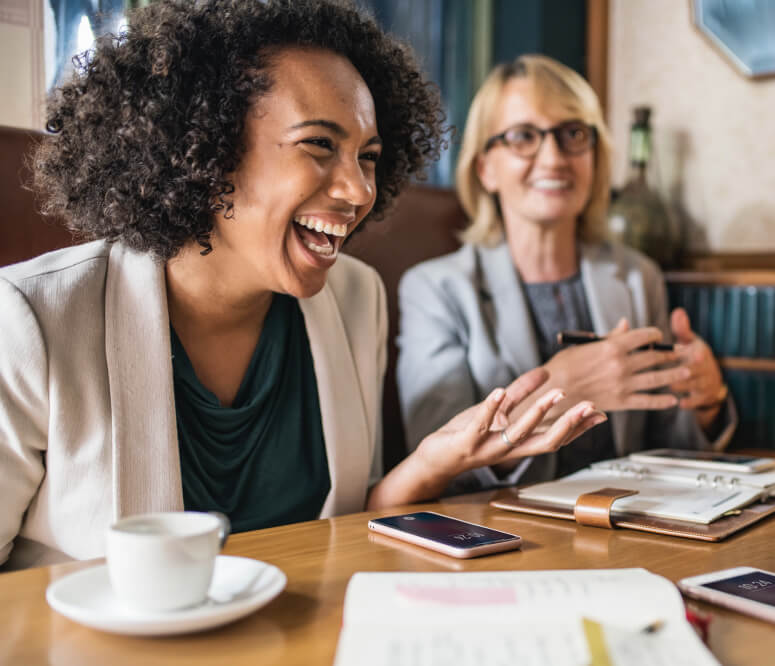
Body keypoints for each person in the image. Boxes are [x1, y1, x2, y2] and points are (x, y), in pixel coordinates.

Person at [0, 3, 605, 570]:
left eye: (367, 156)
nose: (359, 190)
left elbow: (339, 526)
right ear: (205, 150)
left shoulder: (356, 299)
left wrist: (431, 461)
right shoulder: (31, 320)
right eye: (319, 144)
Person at [396, 54, 735, 494]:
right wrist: (561, 389)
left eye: (573, 134)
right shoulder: (435, 290)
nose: (554, 157)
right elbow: (439, 463)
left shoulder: (637, 277)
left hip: (626, 529)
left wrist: (708, 402)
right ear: (486, 168)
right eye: (522, 136)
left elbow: (668, 447)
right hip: (503, 541)